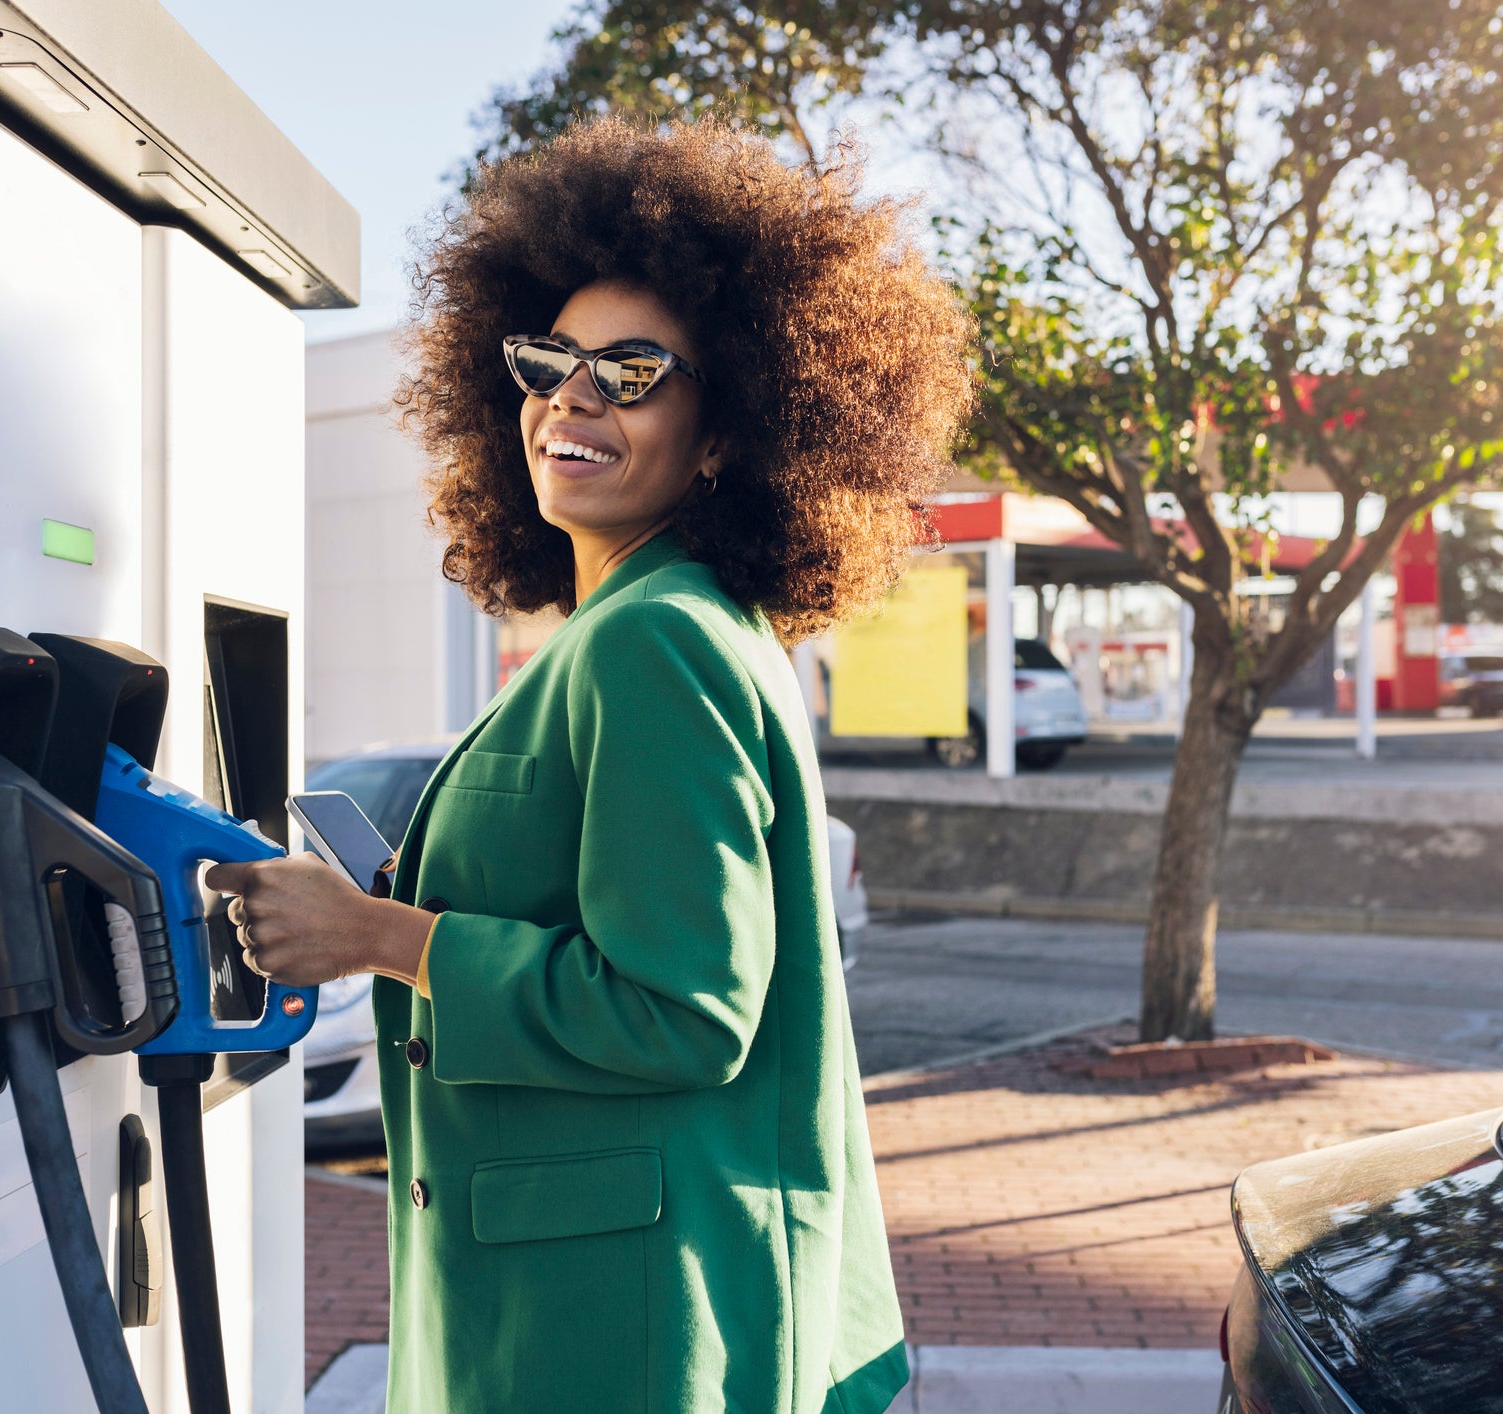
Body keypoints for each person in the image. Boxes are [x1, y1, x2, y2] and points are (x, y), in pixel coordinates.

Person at [206, 117, 973, 1414]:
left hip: (622, 1321)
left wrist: (378, 933)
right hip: (612, 1294)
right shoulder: (671, 624)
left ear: (726, 431)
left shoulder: (654, 642)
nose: (573, 394)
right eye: (551, 360)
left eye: (631, 370)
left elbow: (682, 1007)